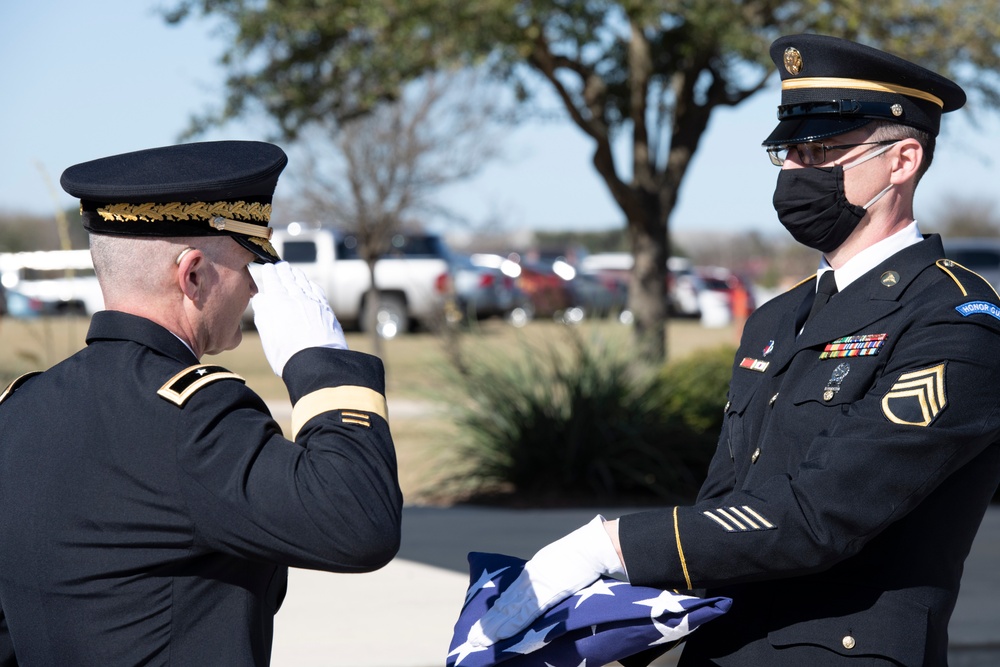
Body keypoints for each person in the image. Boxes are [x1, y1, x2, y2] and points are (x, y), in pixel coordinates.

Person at [472, 34, 1000, 666]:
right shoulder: (779, 317)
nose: (796, 171)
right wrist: (606, 621)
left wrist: (611, 547)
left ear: (903, 160)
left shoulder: (956, 318)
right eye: (788, 151)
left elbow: (820, 516)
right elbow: (728, 506)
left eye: (823, 151)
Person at [0, 141, 403, 665]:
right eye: (249, 262)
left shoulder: (19, 411)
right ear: (193, 275)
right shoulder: (194, 418)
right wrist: (320, 360)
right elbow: (359, 521)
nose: (256, 290)